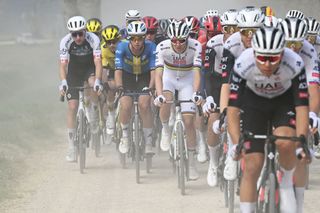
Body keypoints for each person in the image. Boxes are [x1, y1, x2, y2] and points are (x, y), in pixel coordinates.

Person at [227, 27, 309, 213]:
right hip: (253, 103)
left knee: (286, 141)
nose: (267, 64)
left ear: (282, 53)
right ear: (253, 53)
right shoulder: (243, 64)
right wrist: (235, 143)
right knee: (252, 165)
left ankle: (287, 183)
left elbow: (302, 107)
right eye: (262, 57)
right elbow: (233, 110)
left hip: (283, 101)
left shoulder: (294, 62)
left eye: (273, 58)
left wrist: (301, 141)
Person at [219, 7, 265, 181]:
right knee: (233, 113)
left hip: (264, 87)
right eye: (245, 31)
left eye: (255, 31)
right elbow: (226, 84)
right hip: (240, 85)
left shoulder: (271, 43)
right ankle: (233, 152)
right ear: (239, 30)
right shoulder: (230, 44)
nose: (250, 36)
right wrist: (224, 111)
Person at [154, 20, 203, 180]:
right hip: (169, 78)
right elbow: (158, 75)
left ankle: (192, 163)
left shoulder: (196, 46)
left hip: (187, 80)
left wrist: (196, 92)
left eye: (182, 40)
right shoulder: (162, 47)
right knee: (166, 99)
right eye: (174, 40)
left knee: (189, 122)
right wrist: (159, 94)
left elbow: (196, 73)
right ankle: (165, 130)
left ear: (188, 37)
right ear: (169, 39)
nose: (178, 43)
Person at [281, 17, 320, 213]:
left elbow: (313, 89)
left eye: (298, 43)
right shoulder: (272, 47)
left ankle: (299, 204)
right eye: (289, 44)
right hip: (274, 92)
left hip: (298, 93)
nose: (294, 48)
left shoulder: (309, 50)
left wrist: (313, 114)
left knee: (300, 145)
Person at [59, 16, 103, 162]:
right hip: (74, 72)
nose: (77, 37)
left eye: (80, 33)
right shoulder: (65, 41)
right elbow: (63, 65)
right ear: (70, 33)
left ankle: (93, 114)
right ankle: (71, 146)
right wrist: (63, 82)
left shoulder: (93, 40)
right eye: (74, 34)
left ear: (85, 31)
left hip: (89, 68)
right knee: (72, 106)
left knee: (92, 84)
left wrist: (98, 81)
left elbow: (98, 62)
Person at [202, 9, 238, 187]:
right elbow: (206, 74)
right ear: (222, 29)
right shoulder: (213, 43)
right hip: (216, 82)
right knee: (213, 120)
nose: (231, 33)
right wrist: (208, 98)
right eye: (227, 28)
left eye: (235, 29)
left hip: (239, 81)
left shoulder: (246, 42)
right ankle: (213, 163)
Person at [115, 21, 156, 154]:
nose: (137, 41)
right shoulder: (121, 47)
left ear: (145, 37)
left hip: (144, 77)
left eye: (140, 38)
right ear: (129, 38)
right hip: (127, 76)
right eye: (133, 38)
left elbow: (154, 72)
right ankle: (125, 136)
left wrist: (151, 88)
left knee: (144, 105)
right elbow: (118, 70)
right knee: (126, 105)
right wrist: (120, 87)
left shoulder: (151, 47)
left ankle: (148, 141)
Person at [100, 25, 122, 142]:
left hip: (125, 70)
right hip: (112, 70)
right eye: (109, 42)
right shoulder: (103, 49)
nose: (112, 45)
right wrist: (105, 84)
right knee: (110, 90)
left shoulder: (125, 45)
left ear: (119, 39)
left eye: (114, 42)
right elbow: (104, 69)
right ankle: (111, 116)